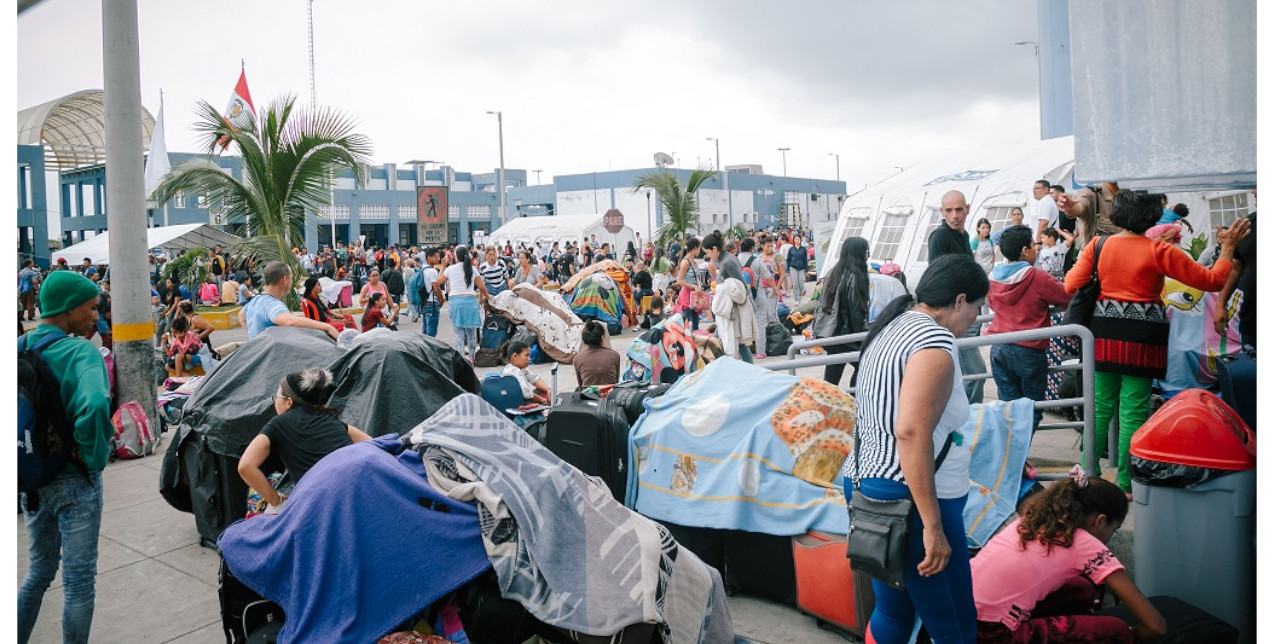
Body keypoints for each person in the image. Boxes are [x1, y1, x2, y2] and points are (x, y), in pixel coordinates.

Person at [838, 254, 988, 644]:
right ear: (958, 300)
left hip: (868, 485)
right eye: (976, 307)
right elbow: (909, 432)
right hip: (908, 500)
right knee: (955, 624)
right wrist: (934, 527)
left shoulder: (892, 325)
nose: (976, 317)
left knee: (894, 611)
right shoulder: (934, 339)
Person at [1065, 191, 1249, 494]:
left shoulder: (1098, 245)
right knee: (1134, 409)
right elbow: (1214, 280)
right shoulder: (1160, 251)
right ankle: (1126, 482)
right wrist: (1227, 248)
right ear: (1153, 217)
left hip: (1103, 333)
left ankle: (1089, 475)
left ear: (1117, 214)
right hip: (1144, 337)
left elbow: (1071, 285)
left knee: (1099, 407)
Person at [19, 270, 113, 644]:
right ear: (69, 309)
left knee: (38, 572)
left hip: (32, 478)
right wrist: (94, 457)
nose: (94, 316)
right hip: (75, 479)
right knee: (78, 582)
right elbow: (93, 406)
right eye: (90, 308)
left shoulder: (16, 347)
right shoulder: (80, 352)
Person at [971, 467, 1166, 644]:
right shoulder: (1084, 543)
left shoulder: (1030, 520)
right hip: (994, 633)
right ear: (1100, 521)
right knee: (1117, 630)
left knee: (1081, 588)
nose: (1110, 536)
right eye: (1113, 530)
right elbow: (1156, 625)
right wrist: (1127, 638)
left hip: (961, 612)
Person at [237, 368, 372, 514]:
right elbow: (372, 443)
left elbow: (245, 466)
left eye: (276, 397)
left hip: (322, 504)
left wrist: (276, 501)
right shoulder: (331, 419)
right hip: (356, 492)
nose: (275, 401)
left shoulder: (278, 424)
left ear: (289, 402)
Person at [986, 225, 1072, 430]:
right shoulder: (1037, 277)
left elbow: (991, 304)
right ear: (1025, 250)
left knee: (1007, 408)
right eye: (1034, 245)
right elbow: (1067, 297)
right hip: (1029, 350)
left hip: (999, 348)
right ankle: (1018, 456)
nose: (1037, 249)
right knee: (1031, 408)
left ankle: (1008, 456)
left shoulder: (992, 279)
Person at [929, 190, 987, 404]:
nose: (955, 215)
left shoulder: (963, 236)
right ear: (942, 212)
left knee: (965, 376)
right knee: (976, 374)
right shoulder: (940, 236)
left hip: (968, 314)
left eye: (959, 209)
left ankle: (966, 423)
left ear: (968, 209)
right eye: (949, 210)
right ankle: (971, 424)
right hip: (954, 317)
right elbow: (936, 278)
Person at [814, 237, 871, 388]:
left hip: (830, 333)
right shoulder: (856, 276)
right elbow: (856, 311)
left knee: (831, 378)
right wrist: (865, 335)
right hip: (846, 336)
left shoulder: (833, 272)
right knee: (863, 366)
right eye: (866, 251)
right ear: (860, 253)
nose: (868, 255)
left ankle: (827, 404)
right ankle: (853, 400)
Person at [237, 261, 341, 340]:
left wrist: (254, 338)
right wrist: (327, 328)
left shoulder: (256, 301)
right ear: (284, 280)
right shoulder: (272, 305)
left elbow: (241, 315)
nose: (291, 283)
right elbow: (289, 321)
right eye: (291, 279)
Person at [703, 231, 755, 363]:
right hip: (732, 307)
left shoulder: (726, 262)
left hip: (732, 308)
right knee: (736, 341)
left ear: (714, 249)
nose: (707, 256)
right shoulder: (729, 258)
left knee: (729, 340)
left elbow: (740, 286)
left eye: (708, 252)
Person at [1215, 199, 1255, 352]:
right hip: (1253, 322)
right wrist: (1220, 304)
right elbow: (1236, 267)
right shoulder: (1250, 224)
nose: (1254, 192)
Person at [438, 245, 489, 362]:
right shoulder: (473, 269)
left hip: (456, 302)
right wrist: (488, 296)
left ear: (456, 257)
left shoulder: (450, 269)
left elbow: (439, 281)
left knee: (459, 333)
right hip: (470, 302)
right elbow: (481, 287)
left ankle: (461, 360)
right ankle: (472, 358)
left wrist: (442, 267)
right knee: (471, 333)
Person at [573, 320, 621, 390]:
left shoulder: (577, 359)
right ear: (602, 338)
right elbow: (616, 382)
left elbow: (581, 387)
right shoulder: (614, 355)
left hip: (588, 397)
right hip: (610, 396)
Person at [501, 340, 551, 404]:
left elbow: (534, 379)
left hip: (524, 397)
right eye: (526, 355)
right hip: (518, 402)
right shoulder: (514, 371)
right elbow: (527, 394)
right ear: (515, 356)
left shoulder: (521, 368)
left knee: (543, 390)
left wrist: (548, 389)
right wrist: (542, 400)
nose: (529, 359)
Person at [674, 237, 706, 331]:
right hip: (687, 296)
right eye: (699, 248)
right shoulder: (685, 262)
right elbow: (679, 281)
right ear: (695, 248)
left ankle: (694, 343)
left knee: (695, 323)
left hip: (694, 296)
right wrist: (694, 286)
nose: (700, 251)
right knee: (687, 324)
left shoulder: (693, 261)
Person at [412, 248, 445, 337]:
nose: (438, 259)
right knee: (431, 329)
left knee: (425, 327)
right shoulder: (432, 271)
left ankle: (425, 347)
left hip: (423, 301)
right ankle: (430, 348)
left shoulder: (421, 269)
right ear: (429, 257)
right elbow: (436, 288)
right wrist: (442, 299)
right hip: (432, 302)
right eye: (436, 257)